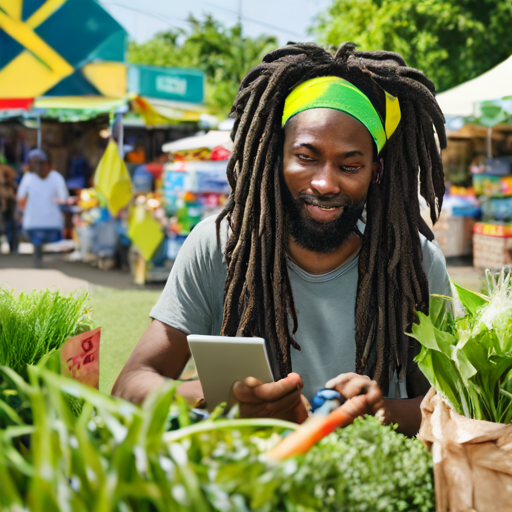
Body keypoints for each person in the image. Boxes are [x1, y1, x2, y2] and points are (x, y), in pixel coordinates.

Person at [113, 43, 450, 436]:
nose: (325, 183)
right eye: (306, 157)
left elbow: (453, 405)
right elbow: (130, 384)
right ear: (276, 156)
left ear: (374, 172)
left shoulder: (415, 263)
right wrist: (219, 397)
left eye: (350, 165)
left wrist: (379, 410)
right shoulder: (219, 246)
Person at [17, 149, 69, 266]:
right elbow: (21, 198)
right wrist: (20, 212)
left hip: (50, 222)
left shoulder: (56, 178)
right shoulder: (29, 177)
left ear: (49, 165)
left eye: (40, 163)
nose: (39, 167)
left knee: (46, 243)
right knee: (38, 242)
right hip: (33, 221)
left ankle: (40, 256)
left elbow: (63, 199)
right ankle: (38, 256)